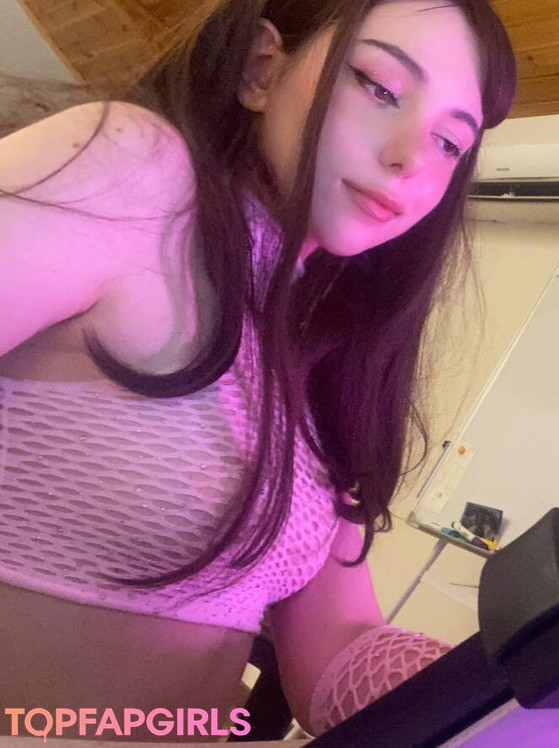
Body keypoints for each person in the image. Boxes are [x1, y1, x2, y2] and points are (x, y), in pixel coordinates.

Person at [0, 0, 515, 740]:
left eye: (449, 141)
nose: (411, 155)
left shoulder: (329, 351)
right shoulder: (133, 170)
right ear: (259, 70)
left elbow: (333, 653)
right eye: (378, 87)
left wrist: (509, 697)